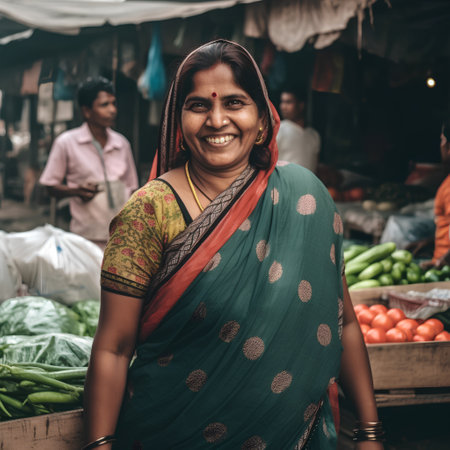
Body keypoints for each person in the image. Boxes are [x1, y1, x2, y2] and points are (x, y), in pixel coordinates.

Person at [83, 40, 383, 450]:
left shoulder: (305, 196)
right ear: (178, 118)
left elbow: (343, 322)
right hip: (173, 433)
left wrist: (369, 433)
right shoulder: (150, 212)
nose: (217, 119)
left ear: (262, 119)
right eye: (199, 105)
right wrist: (99, 445)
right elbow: (114, 348)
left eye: (235, 102)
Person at [39, 77, 139, 249]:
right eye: (104, 105)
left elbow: (133, 189)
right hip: (85, 238)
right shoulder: (66, 142)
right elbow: (49, 186)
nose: (112, 110)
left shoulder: (122, 143)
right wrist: (77, 191)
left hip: (123, 237)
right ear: (86, 111)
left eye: (114, 103)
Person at [419, 118, 450, 269]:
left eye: (442, 140)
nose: (441, 145)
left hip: (443, 271)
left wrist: (441, 261)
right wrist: (430, 242)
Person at [276, 87, 321, 173]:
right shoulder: (277, 129)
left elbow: (315, 167)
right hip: (283, 185)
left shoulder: (314, 135)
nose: (283, 107)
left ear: (301, 105)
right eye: (282, 102)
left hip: (308, 185)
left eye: (288, 102)